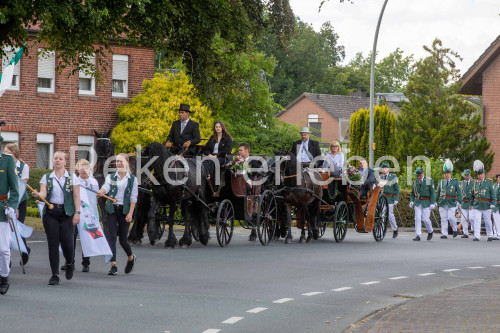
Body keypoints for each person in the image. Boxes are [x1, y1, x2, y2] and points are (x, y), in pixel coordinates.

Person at [32, 152, 80, 285]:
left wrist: (77, 212)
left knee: (68, 244)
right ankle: (55, 274)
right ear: (52, 161)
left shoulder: (72, 178)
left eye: (60, 159)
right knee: (53, 243)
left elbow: (76, 196)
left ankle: (69, 263)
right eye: (55, 158)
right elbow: (43, 192)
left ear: (65, 162)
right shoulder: (47, 177)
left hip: (67, 213)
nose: (58, 161)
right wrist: (38, 195)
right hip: (51, 214)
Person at [97, 153, 138, 275]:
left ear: (127, 163)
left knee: (123, 240)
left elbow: (133, 198)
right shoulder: (111, 177)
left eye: (121, 161)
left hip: (125, 211)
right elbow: (106, 187)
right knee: (112, 237)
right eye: (117, 162)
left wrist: (130, 213)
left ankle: (131, 257)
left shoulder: (132, 179)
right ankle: (113, 265)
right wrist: (101, 191)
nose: (118, 164)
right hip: (112, 209)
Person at [64, 159, 98, 272]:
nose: (83, 170)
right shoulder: (74, 181)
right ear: (77, 169)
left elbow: (94, 200)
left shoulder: (93, 182)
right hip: (76, 213)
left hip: (88, 214)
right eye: (81, 168)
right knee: (71, 237)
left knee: (87, 238)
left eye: (86, 168)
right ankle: (70, 261)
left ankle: (86, 262)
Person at [4, 143, 30, 264]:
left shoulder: (23, 167)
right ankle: (6, 259)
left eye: (6, 152)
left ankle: (24, 250)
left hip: (19, 201)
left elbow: (20, 188)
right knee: (6, 228)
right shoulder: (3, 164)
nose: (3, 154)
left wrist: (16, 206)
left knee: (17, 227)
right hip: (5, 199)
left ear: (12, 153)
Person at [0, 135, 20, 295]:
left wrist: (12, 207)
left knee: (3, 249)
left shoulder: (7, 160)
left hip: (1, 209)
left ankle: (4, 276)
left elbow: (14, 188)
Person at [203, 121, 233, 190]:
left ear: (222, 127)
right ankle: (202, 176)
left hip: (222, 157)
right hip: (212, 156)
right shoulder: (212, 137)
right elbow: (206, 149)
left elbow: (227, 150)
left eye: (219, 127)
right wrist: (209, 154)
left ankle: (210, 178)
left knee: (214, 161)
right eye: (216, 127)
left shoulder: (227, 138)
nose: (218, 128)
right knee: (202, 159)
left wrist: (217, 155)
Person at [470, 160, 496, 241]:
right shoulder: (475, 183)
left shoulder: (489, 182)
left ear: (483, 174)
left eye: (481, 174)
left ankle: (490, 235)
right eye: (479, 175)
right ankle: (477, 236)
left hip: (486, 204)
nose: (480, 176)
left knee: (487, 220)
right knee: (476, 220)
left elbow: (493, 194)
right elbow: (473, 195)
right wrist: (471, 204)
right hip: (477, 204)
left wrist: (493, 203)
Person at [436, 159, 462, 239]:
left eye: (447, 173)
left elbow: (459, 192)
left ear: (450, 174)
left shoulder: (455, 182)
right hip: (443, 202)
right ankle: (444, 233)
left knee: (451, 217)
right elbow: (437, 193)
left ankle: (455, 230)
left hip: (451, 202)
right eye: (445, 173)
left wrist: (459, 201)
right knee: (443, 219)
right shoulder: (441, 182)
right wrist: (434, 202)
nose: (446, 175)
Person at [409, 166, 436, 241]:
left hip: (426, 202)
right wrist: (411, 200)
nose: (418, 176)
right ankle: (418, 235)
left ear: (423, 173)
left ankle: (430, 231)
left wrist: (433, 203)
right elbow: (412, 193)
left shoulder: (429, 180)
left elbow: (433, 193)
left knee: (425, 219)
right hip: (417, 202)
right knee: (417, 218)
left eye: (419, 175)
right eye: (417, 175)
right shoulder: (415, 182)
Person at [380, 162, 400, 238]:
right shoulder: (380, 177)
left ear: (388, 169)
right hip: (381, 199)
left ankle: (395, 229)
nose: (384, 169)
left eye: (385, 168)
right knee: (381, 216)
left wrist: (396, 199)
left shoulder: (393, 177)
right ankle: (381, 232)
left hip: (390, 199)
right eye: (383, 168)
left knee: (390, 216)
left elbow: (397, 189)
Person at [459, 169, 474, 238]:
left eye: (467, 176)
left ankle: (474, 229)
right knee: (463, 219)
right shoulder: (461, 183)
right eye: (464, 176)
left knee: (471, 218)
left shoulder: (473, 183)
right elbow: (459, 193)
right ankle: (465, 233)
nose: (465, 177)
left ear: (469, 176)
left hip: (471, 203)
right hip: (464, 203)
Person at [492, 174, 500, 240]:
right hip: (495, 205)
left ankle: (498, 234)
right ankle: (495, 234)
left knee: (498, 220)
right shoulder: (494, 186)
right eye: (499, 177)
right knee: (495, 220)